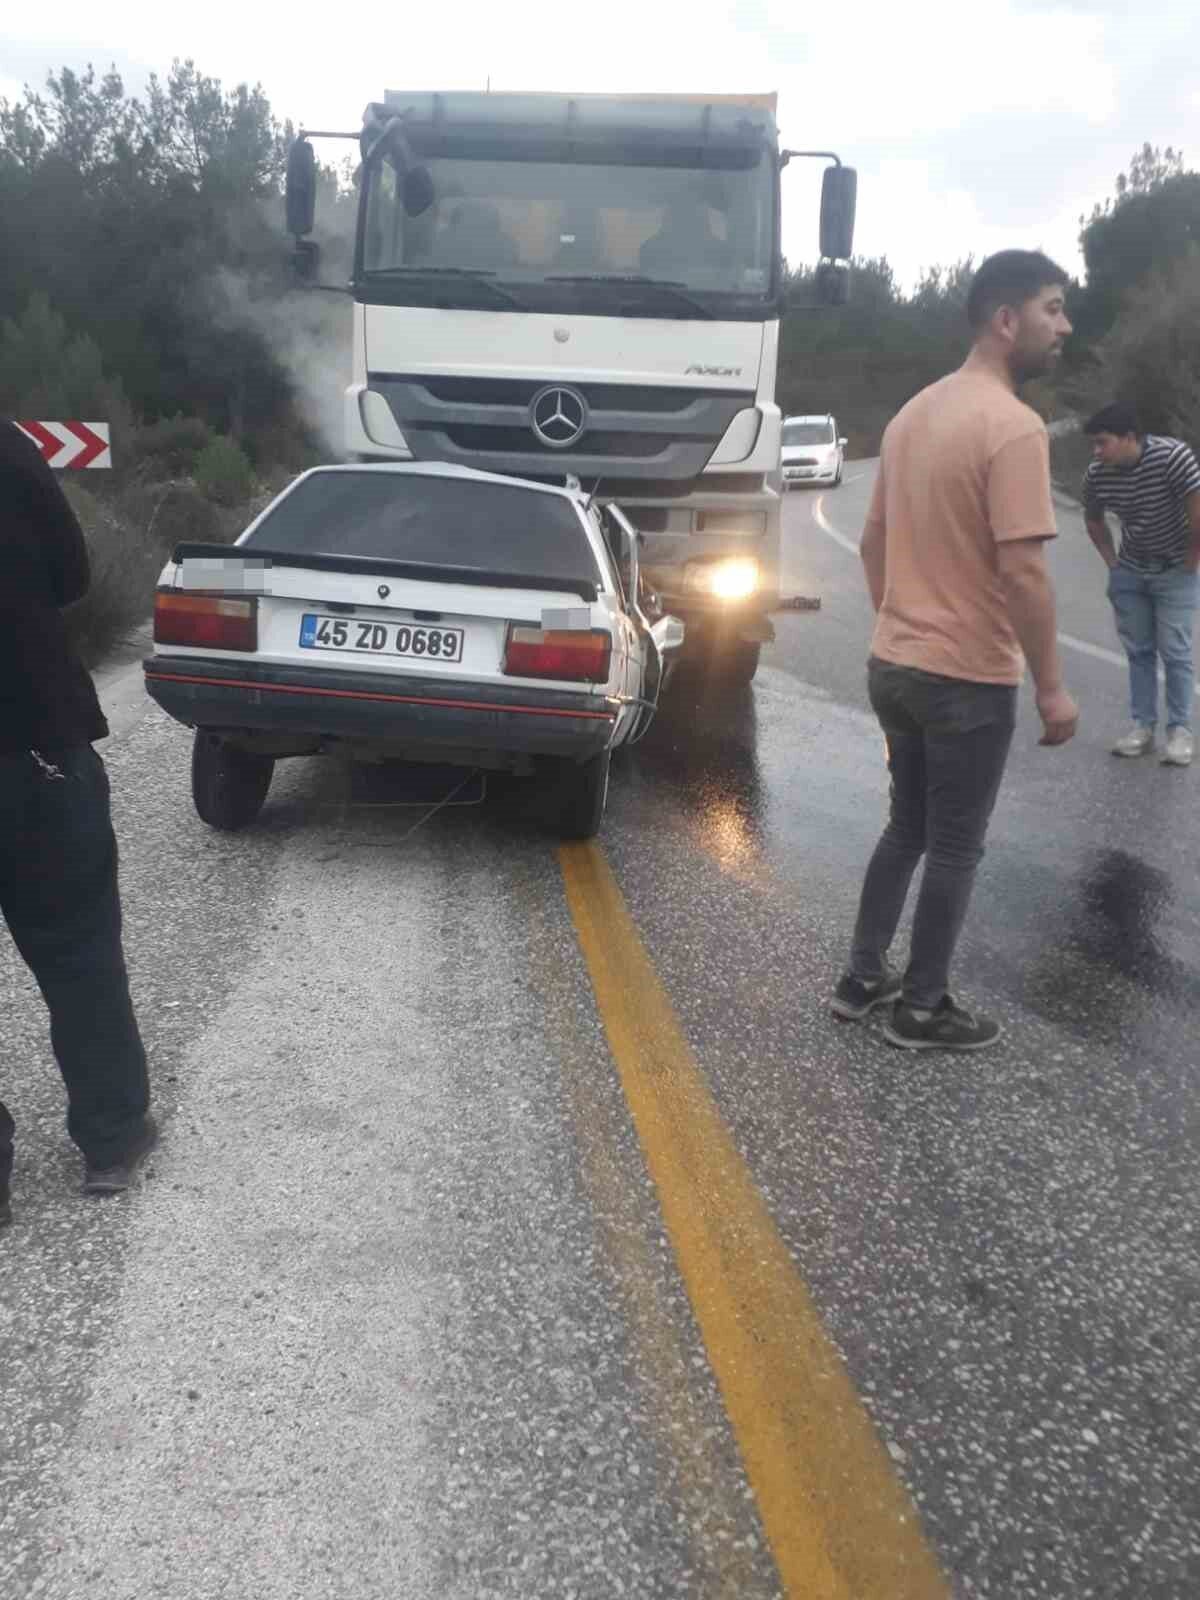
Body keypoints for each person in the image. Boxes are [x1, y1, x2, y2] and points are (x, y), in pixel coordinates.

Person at [832, 250, 1078, 1051]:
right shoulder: (1012, 427)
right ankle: (924, 1008)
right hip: (965, 678)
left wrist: (903, 622)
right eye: (1053, 308)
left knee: (907, 827)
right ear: (1006, 322)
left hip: (894, 665)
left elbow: (873, 541)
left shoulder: (912, 414)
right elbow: (1025, 572)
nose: (1064, 327)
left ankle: (863, 976)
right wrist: (1051, 688)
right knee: (956, 845)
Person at [0, 419, 155, 1226]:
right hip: (35, 744)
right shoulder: (8, 447)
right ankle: (111, 1141)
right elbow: (70, 575)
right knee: (80, 954)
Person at [1081, 403, 1200, 765]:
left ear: (1129, 437)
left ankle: (1179, 732)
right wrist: (1113, 565)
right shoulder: (1097, 474)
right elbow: (1093, 520)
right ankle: (1142, 728)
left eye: (1103, 442)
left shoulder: (1172, 457)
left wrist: (1189, 562)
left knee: (1176, 652)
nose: (1097, 451)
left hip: (1174, 570)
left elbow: (1198, 513)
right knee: (1139, 652)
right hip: (1131, 569)